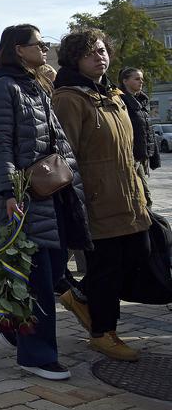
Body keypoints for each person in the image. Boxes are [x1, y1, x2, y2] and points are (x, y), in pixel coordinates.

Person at [0, 25, 91, 380]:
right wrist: (7, 193)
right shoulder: (2, 87)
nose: (44, 49)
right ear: (18, 49)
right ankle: (37, 355)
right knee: (40, 279)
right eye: (38, 44)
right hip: (25, 196)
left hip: (54, 192)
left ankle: (10, 325)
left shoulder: (35, 84)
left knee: (55, 268)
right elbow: (0, 144)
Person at [53, 29, 151, 362]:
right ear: (74, 59)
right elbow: (66, 155)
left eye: (102, 51)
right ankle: (103, 333)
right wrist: (77, 202)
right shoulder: (69, 98)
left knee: (135, 257)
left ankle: (80, 294)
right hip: (96, 200)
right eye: (89, 53)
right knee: (107, 268)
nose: (100, 57)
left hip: (128, 196)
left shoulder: (114, 95)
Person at [119, 67, 161, 207]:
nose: (141, 81)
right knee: (144, 198)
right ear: (125, 81)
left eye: (142, 79)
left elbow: (148, 130)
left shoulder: (140, 101)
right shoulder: (121, 101)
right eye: (137, 78)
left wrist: (153, 156)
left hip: (142, 158)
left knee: (142, 197)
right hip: (131, 158)